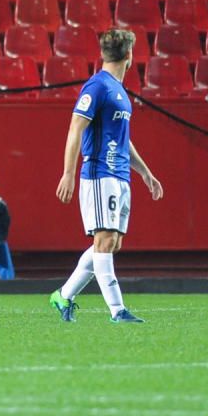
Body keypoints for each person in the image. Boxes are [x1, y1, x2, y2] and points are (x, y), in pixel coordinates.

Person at [51, 28, 164, 324]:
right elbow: (76, 126)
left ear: (102, 53)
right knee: (104, 241)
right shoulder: (97, 87)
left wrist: (146, 173)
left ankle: (63, 295)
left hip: (120, 174)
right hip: (100, 173)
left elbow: (122, 138)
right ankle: (118, 311)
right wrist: (68, 173)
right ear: (130, 55)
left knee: (112, 244)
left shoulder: (118, 91)